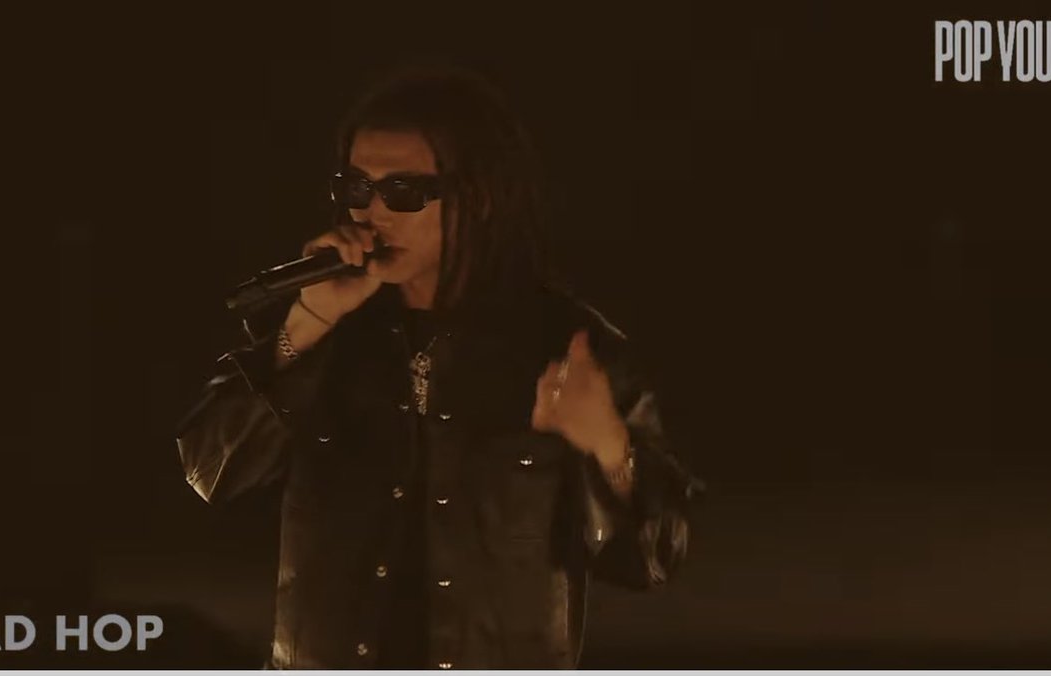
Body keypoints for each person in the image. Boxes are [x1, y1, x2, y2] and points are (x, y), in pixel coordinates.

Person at [175, 65, 703, 669]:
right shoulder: (322, 325)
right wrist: (306, 326)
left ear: (479, 199)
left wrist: (608, 445)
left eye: (403, 192)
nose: (373, 213)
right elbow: (208, 468)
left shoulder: (568, 347)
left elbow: (652, 558)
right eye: (356, 188)